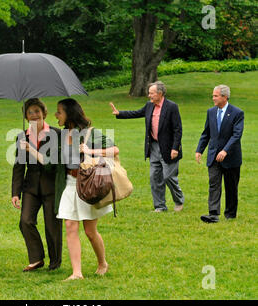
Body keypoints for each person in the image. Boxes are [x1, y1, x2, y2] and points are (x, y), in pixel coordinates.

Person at [23, 98, 118, 281]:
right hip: (68, 185)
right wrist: (30, 149)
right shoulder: (60, 135)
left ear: (69, 113)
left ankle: (102, 263)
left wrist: (90, 151)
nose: (56, 115)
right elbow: (49, 162)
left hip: (87, 185)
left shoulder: (90, 133)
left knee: (90, 232)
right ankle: (77, 273)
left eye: (59, 111)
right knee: (70, 226)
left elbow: (114, 150)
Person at [110, 81, 184, 213]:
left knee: (168, 177)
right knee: (155, 177)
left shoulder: (172, 107)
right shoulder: (149, 105)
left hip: (169, 148)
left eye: (151, 93)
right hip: (154, 147)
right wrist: (119, 113)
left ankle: (179, 201)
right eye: (149, 93)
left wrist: (175, 148)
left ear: (160, 94)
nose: (149, 95)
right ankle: (160, 206)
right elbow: (137, 113)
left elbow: (178, 129)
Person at [11, 98, 63, 272]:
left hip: (51, 187)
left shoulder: (56, 133)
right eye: (30, 112)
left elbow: (54, 162)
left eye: (37, 111)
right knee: (25, 221)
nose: (34, 115)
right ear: (26, 116)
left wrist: (32, 150)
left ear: (44, 112)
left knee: (52, 226)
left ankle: (55, 262)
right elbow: (19, 166)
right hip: (31, 187)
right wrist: (15, 193)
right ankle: (36, 258)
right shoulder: (22, 136)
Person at [196, 85, 244, 223]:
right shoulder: (211, 112)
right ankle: (213, 214)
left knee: (231, 187)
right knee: (214, 184)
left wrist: (225, 150)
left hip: (231, 157)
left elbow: (236, 135)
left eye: (215, 96)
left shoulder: (237, 113)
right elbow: (206, 133)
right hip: (213, 156)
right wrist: (199, 149)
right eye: (213, 95)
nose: (213, 98)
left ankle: (230, 214)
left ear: (225, 97)